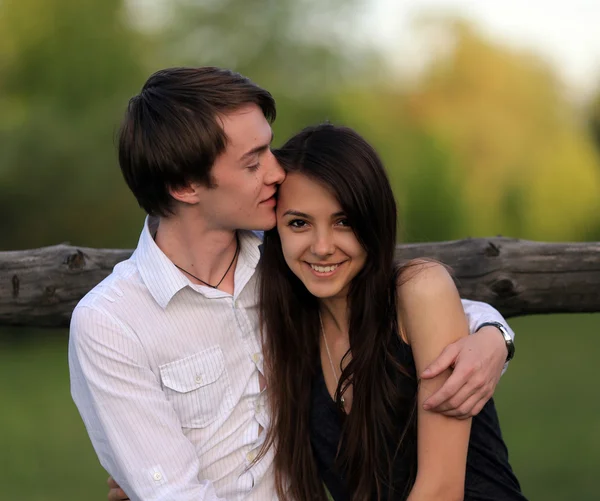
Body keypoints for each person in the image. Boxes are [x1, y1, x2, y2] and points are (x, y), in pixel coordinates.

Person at [68, 67, 515, 501]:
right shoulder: (111, 323)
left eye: (269, 149)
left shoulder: (281, 261)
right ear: (185, 185)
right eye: (253, 162)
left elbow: (405, 301)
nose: (276, 171)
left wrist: (495, 336)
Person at [258, 123, 526, 501]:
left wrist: (497, 334)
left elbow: (441, 490)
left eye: (343, 222)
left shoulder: (419, 289)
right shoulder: (291, 328)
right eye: (299, 223)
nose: (321, 247)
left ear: (374, 219)